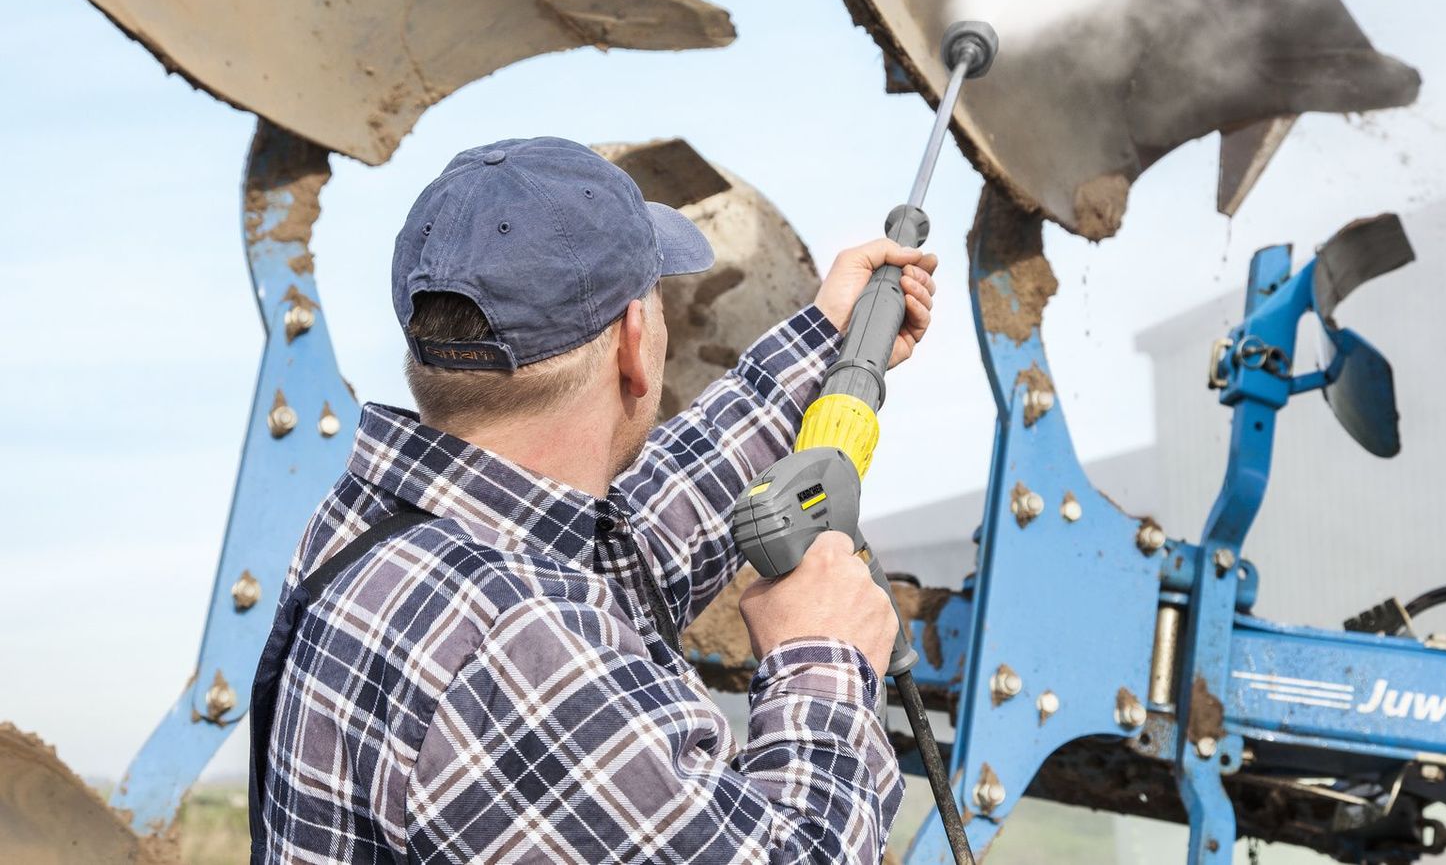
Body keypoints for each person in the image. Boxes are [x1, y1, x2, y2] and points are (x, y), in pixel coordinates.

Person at [250, 136, 939, 864]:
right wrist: (823, 656)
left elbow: (640, 537)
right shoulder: (512, 646)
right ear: (634, 341)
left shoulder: (389, 528)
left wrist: (828, 336)